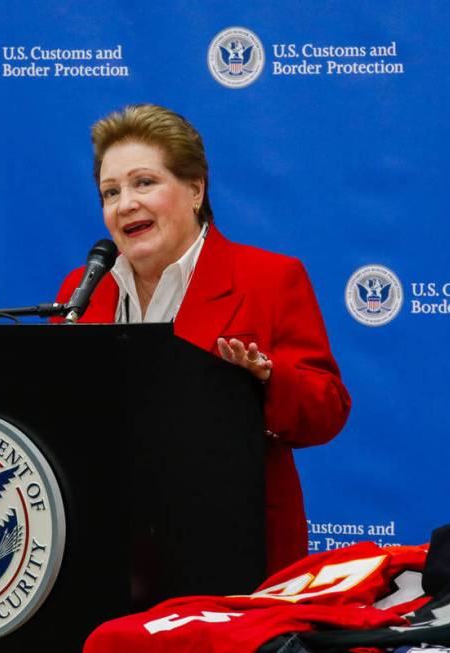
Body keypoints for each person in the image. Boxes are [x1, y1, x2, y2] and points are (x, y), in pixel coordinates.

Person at [55, 104, 350, 577]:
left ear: (194, 190)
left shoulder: (269, 279)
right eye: (110, 192)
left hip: (236, 552)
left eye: (144, 183)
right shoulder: (83, 289)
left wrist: (267, 380)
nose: (125, 203)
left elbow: (328, 410)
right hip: (109, 550)